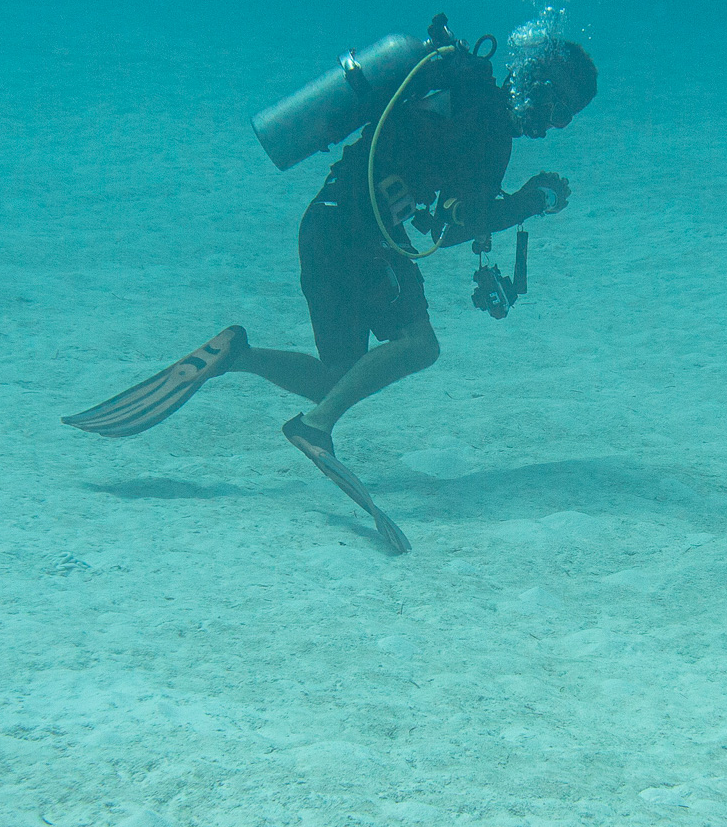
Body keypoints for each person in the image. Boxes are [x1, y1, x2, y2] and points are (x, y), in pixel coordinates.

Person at [63, 34, 598, 553]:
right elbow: (458, 225)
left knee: (338, 376)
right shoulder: (486, 123)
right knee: (419, 345)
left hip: (323, 223)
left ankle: (236, 354)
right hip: (362, 238)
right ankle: (315, 429)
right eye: (561, 108)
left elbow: (440, 200)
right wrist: (533, 201)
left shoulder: (456, 89)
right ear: (541, 85)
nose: (556, 126)